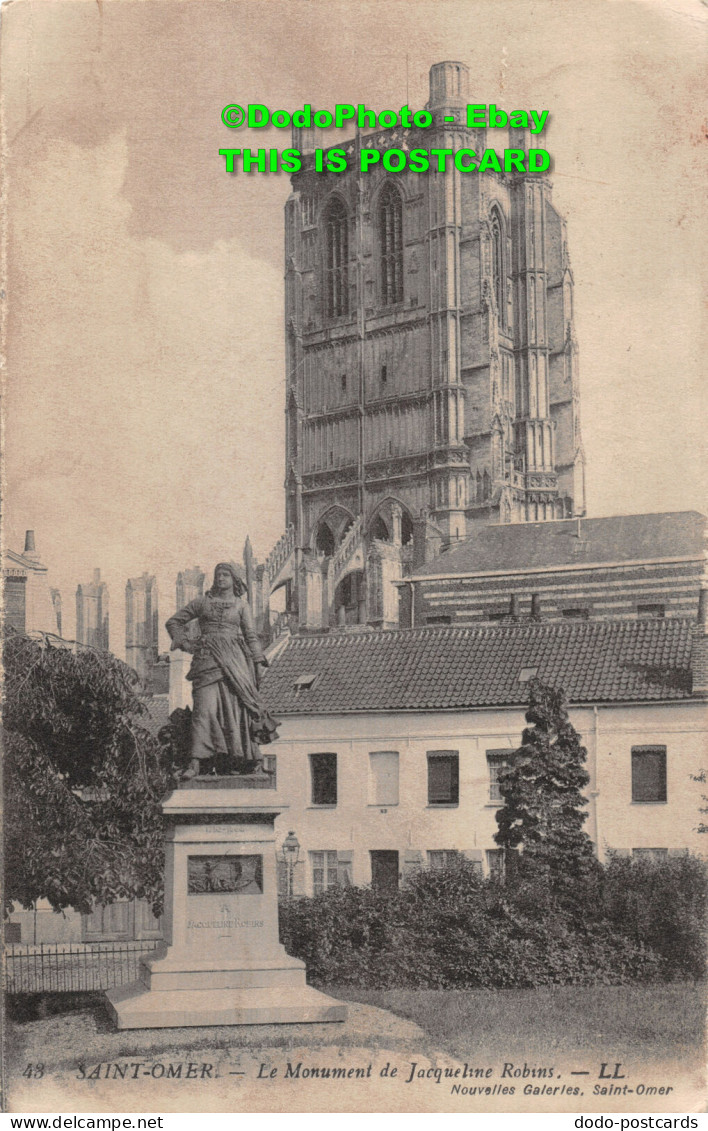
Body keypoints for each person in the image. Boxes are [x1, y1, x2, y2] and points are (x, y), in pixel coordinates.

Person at [166, 561, 278, 779]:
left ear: (234, 580)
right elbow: (173, 622)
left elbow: (250, 635)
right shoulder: (202, 603)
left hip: (235, 663)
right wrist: (186, 643)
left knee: (236, 712)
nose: (221, 578)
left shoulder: (241, 605)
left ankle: (244, 759)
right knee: (203, 710)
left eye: (226, 575)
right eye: (218, 574)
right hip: (206, 660)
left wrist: (257, 657)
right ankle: (196, 762)